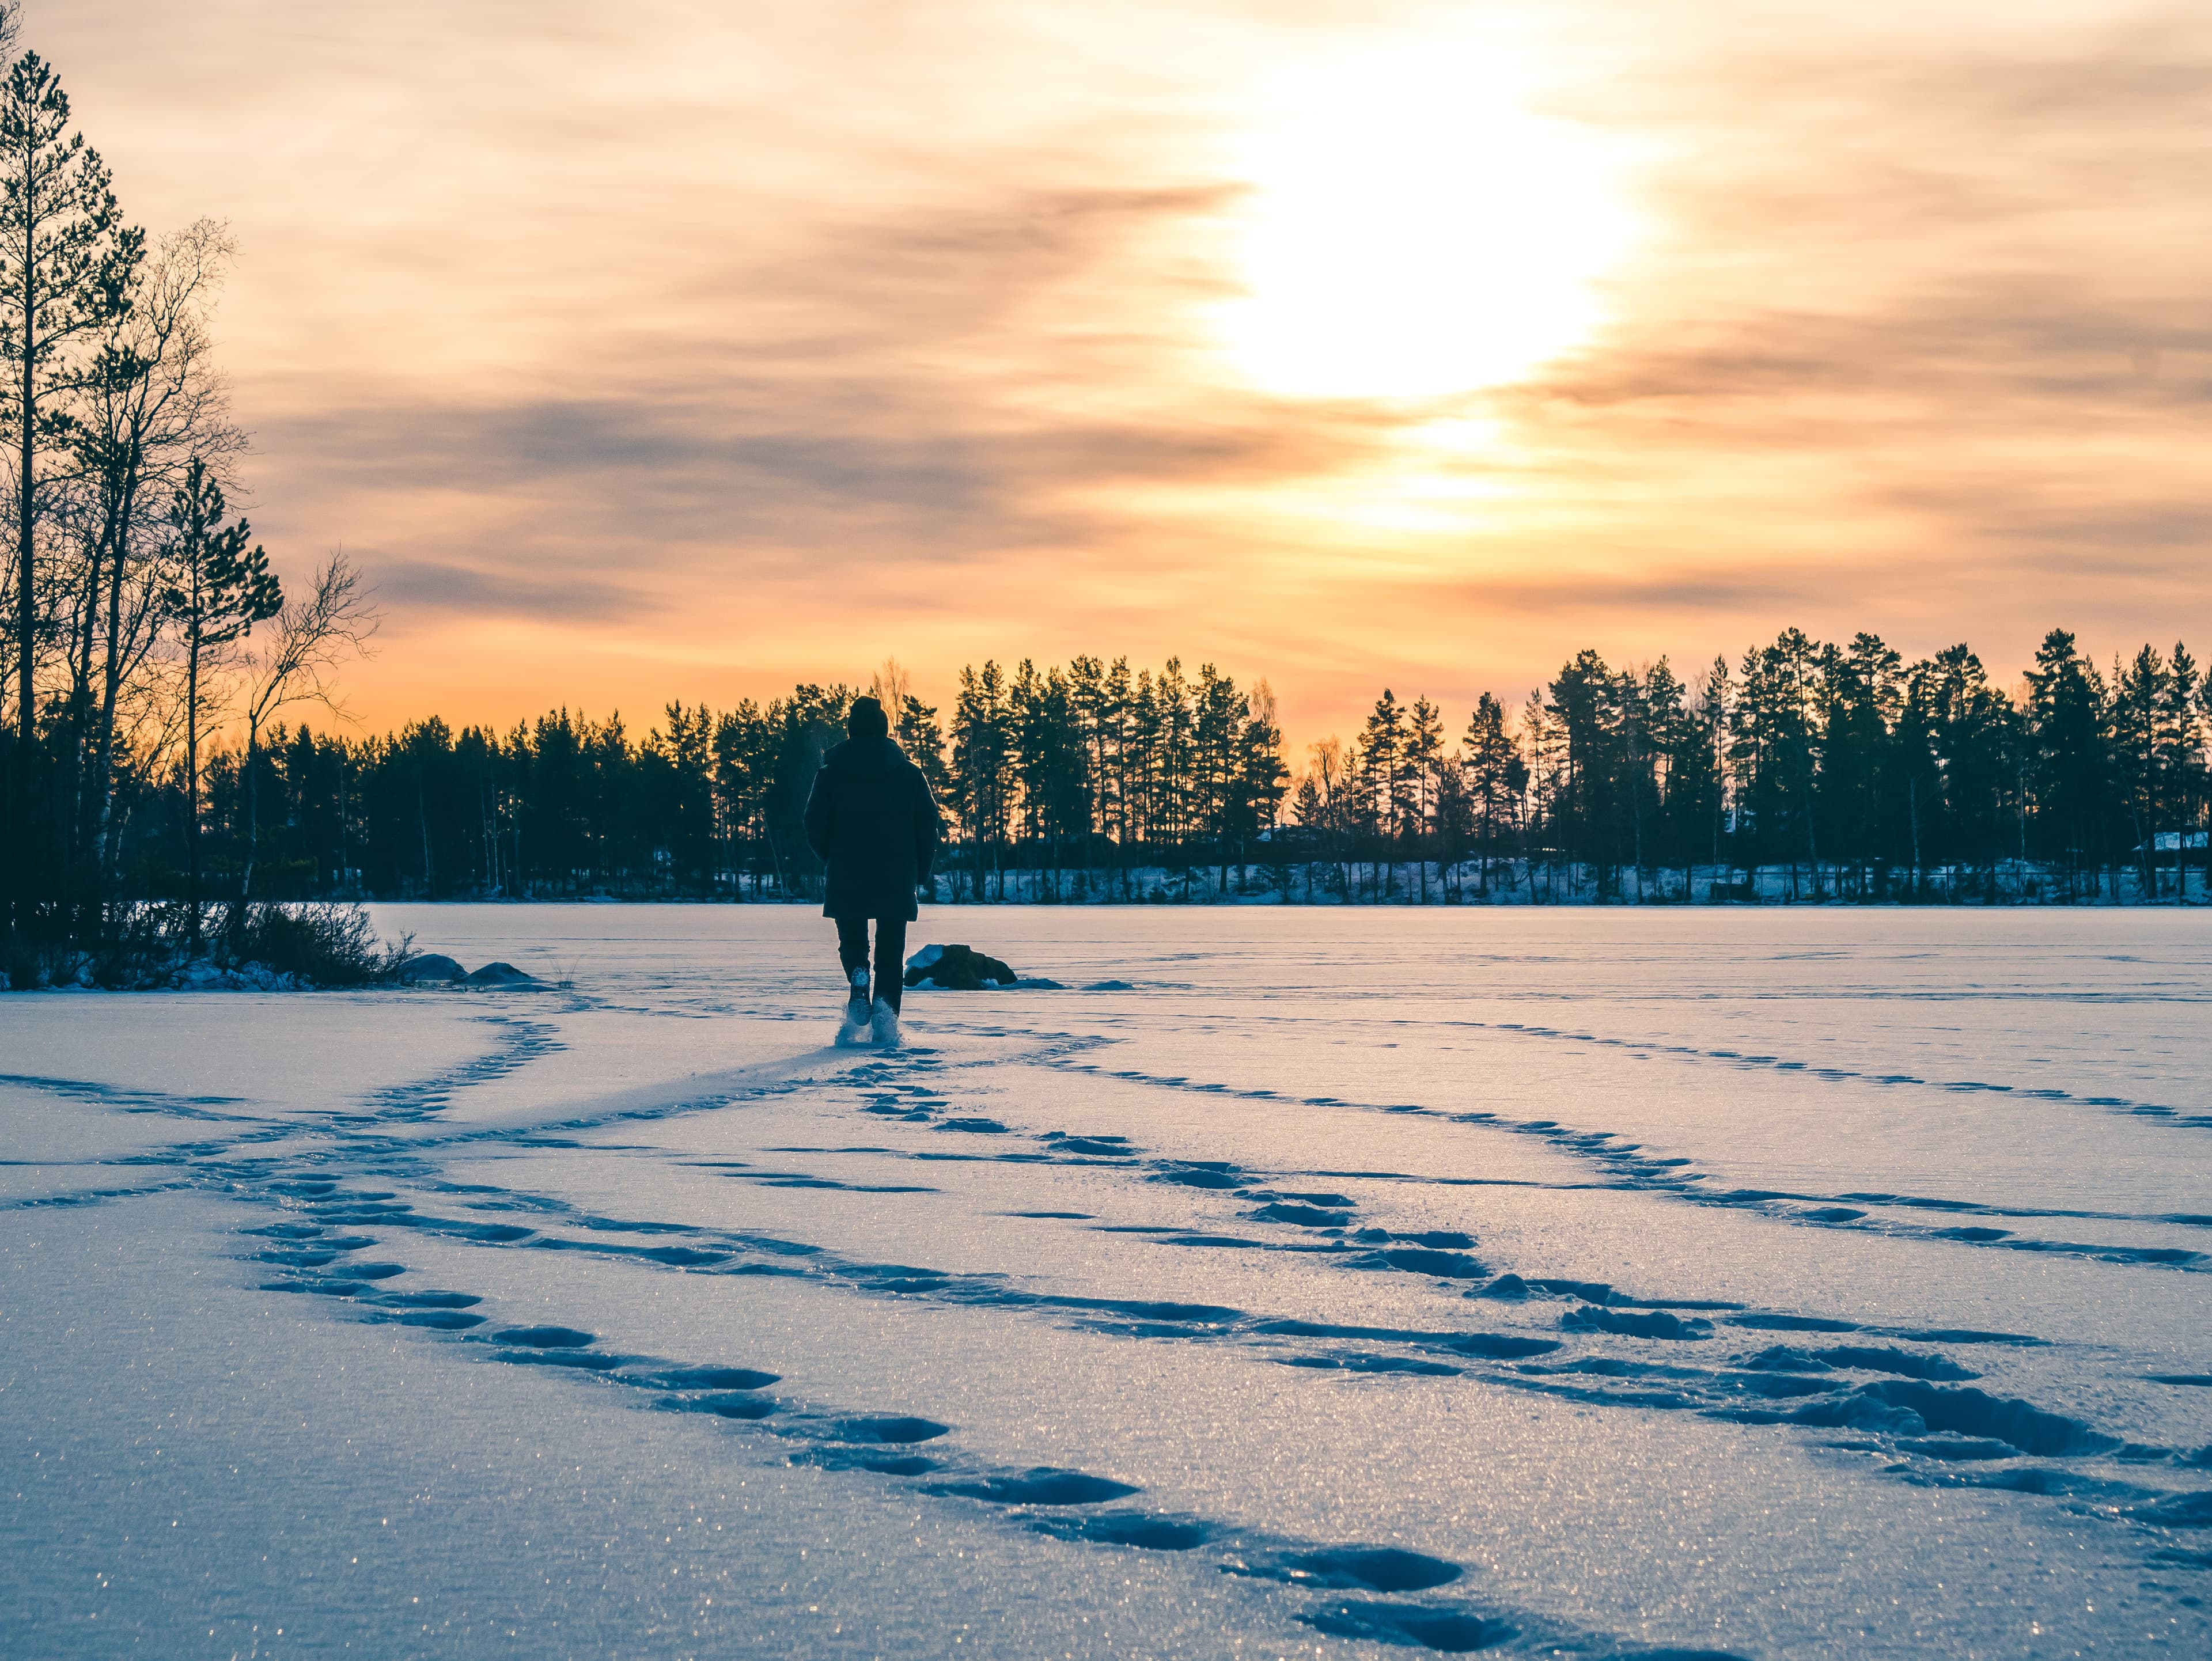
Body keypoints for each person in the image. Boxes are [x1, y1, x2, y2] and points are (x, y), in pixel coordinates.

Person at [801, 695, 941, 1046]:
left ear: (850, 731)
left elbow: (813, 823)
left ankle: (859, 978)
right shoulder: (909, 774)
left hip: (846, 872)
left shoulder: (829, 776)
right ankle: (885, 1023)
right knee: (891, 952)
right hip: (896, 874)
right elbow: (928, 825)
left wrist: (831, 857)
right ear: (884, 729)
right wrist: (920, 871)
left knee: (852, 943)